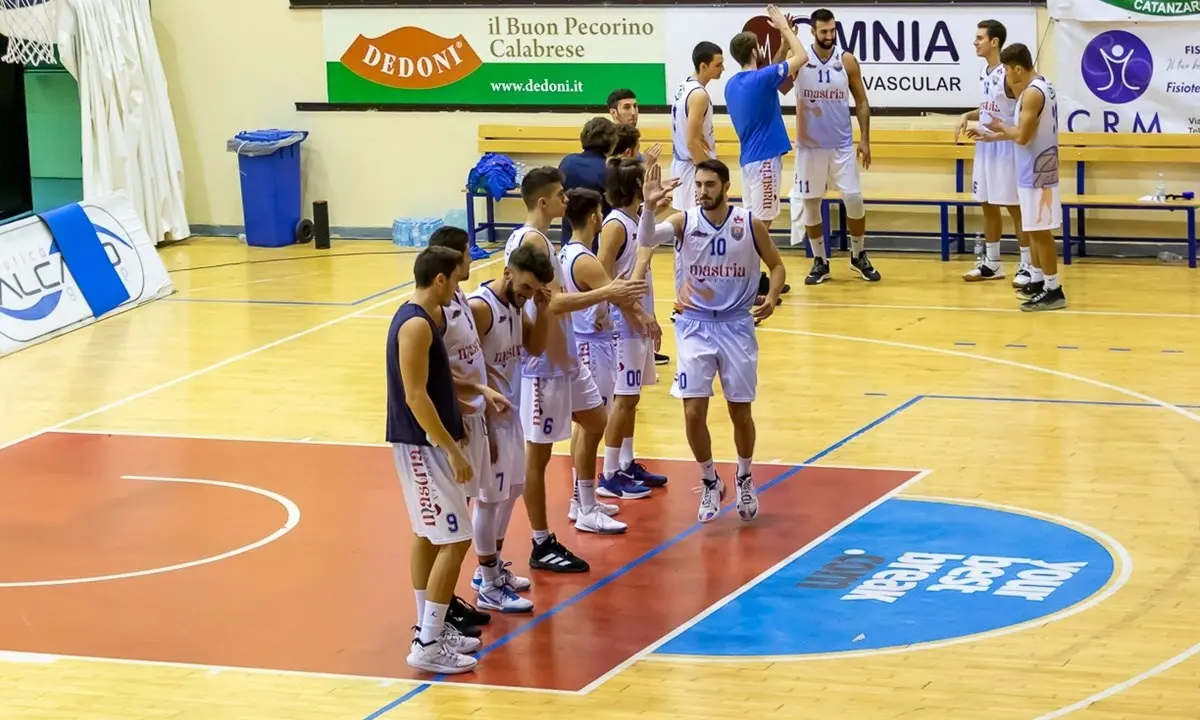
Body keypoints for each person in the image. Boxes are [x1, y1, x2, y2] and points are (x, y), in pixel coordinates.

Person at [505, 167, 647, 572]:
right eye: (560, 194)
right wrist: (608, 292)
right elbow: (549, 304)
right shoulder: (531, 241)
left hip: (566, 358)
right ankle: (540, 540)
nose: (566, 200)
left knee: (595, 419)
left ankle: (583, 502)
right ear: (543, 201)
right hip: (542, 366)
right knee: (538, 457)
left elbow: (559, 297)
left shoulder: (543, 242)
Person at [649, 158, 786, 523]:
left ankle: (744, 475)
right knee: (693, 411)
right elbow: (645, 238)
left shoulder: (748, 222)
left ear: (726, 187)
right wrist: (648, 208)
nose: (703, 191)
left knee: (740, 411)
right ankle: (709, 479)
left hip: (737, 325)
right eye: (699, 185)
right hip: (693, 325)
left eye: (710, 185)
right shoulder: (683, 222)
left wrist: (771, 297)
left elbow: (777, 265)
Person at [426, 227, 532, 615]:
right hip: (465, 419)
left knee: (504, 491)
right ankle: (479, 584)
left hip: (489, 411)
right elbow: (434, 370)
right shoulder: (460, 307)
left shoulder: (459, 300)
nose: (472, 259)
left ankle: (484, 573)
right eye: (467, 254)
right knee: (476, 504)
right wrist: (478, 393)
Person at [388, 245, 483, 674]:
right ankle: (427, 642)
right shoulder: (416, 326)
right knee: (455, 538)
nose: (458, 288)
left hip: (424, 444)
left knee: (426, 535)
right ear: (439, 279)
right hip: (422, 446)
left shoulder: (424, 319)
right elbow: (414, 396)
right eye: (456, 279)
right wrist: (451, 448)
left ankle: (432, 625)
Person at [465, 241, 557, 612]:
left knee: (513, 488)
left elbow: (534, 347)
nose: (528, 296)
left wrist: (544, 309)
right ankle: (487, 582)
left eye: (534, 291)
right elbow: (458, 363)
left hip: (509, 413)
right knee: (490, 498)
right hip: (486, 419)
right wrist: (481, 422)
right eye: (525, 288)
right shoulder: (480, 308)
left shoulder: (516, 305)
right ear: (507, 272)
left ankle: (491, 567)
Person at [596, 158, 678, 498]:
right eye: (647, 182)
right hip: (622, 322)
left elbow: (645, 242)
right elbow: (600, 274)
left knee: (632, 399)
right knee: (623, 398)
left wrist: (652, 207)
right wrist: (621, 312)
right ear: (634, 188)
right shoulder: (615, 224)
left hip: (637, 317)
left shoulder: (633, 220)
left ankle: (626, 462)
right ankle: (609, 472)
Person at [791, 8, 881, 285]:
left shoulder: (847, 60)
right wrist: (785, 40)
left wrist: (864, 139)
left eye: (832, 31)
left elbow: (862, 101)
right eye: (823, 31)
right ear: (813, 32)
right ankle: (820, 261)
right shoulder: (800, 59)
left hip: (841, 143)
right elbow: (778, 80)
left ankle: (858, 254)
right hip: (809, 146)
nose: (829, 36)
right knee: (811, 203)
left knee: (853, 198)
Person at [973, 43, 1066, 311]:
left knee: (1040, 233)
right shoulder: (1044, 84)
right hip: (1036, 166)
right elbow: (1025, 131)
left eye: (1006, 71)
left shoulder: (1031, 95)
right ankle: (1039, 281)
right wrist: (994, 136)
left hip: (1036, 169)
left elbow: (1023, 136)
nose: (1005, 77)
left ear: (1017, 68)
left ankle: (1053, 288)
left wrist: (1002, 126)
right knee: (1034, 230)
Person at [955, 19, 1033, 286]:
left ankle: (1026, 265)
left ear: (994, 41)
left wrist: (1004, 133)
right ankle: (992, 263)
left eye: (979, 38)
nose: (975, 42)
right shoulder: (985, 72)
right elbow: (989, 108)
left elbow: (1024, 110)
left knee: (1014, 207)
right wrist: (968, 114)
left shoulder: (1009, 73)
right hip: (985, 146)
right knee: (987, 204)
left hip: (1006, 146)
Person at [725, 5, 807, 223]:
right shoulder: (761, 79)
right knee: (762, 224)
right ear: (754, 52)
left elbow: (771, 72)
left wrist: (782, 44)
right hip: (765, 160)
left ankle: (747, 259)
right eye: (759, 47)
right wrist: (785, 30)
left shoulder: (733, 84)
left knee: (753, 222)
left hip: (749, 161)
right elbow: (802, 56)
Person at [670, 41, 724, 211]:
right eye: (718, 64)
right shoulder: (699, 95)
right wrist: (708, 174)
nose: (722, 69)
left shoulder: (683, 86)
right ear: (703, 66)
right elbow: (692, 142)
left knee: (687, 224)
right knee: (695, 226)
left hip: (681, 163)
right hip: (692, 167)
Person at [559, 117, 618, 244]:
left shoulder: (567, 162)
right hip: (597, 241)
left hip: (568, 239)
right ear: (612, 143)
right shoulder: (609, 170)